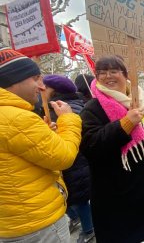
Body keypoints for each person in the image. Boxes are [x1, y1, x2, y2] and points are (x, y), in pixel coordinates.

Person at [79, 55, 144, 242]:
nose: (107, 76)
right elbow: (91, 147)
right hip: (118, 193)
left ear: (125, 75)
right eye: (101, 73)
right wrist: (126, 123)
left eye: (113, 71)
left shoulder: (141, 101)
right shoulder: (92, 108)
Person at [0, 47, 81, 242]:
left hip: (14, 222)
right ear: (12, 81)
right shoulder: (17, 118)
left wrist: (45, 135)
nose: (42, 86)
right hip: (37, 222)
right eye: (36, 78)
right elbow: (63, 157)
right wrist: (68, 120)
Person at [42, 74, 95, 243]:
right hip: (67, 164)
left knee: (79, 199)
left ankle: (89, 229)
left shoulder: (67, 109)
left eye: (45, 87)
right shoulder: (51, 110)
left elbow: (78, 136)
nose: (40, 90)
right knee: (69, 198)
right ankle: (76, 219)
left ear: (54, 91)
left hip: (75, 163)